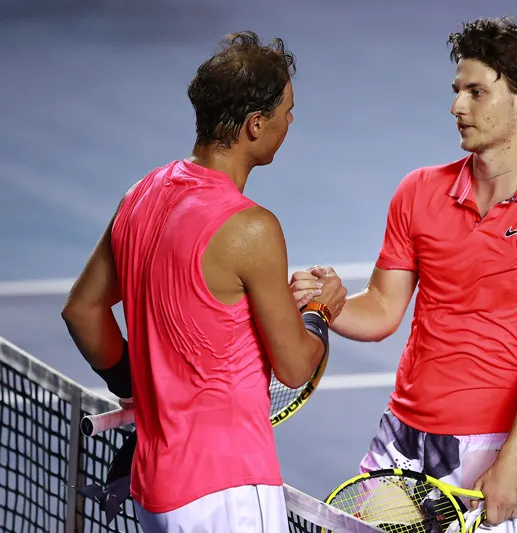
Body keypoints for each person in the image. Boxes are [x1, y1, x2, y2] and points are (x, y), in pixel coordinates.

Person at [296, 16, 517, 531]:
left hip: (495, 447)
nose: (457, 106)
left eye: (476, 92)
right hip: (405, 433)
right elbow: (385, 308)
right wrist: (333, 302)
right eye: (457, 90)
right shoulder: (418, 191)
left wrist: (512, 459)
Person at [61, 31, 347, 533]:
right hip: (227, 492)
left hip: (157, 492)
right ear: (256, 126)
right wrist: (319, 311)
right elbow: (295, 364)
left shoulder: (141, 194)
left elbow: (83, 311)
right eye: (287, 110)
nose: (291, 121)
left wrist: (136, 386)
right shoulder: (251, 228)